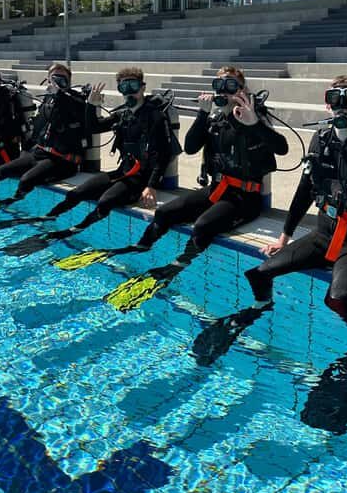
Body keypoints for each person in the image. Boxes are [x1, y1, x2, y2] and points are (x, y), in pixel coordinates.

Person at [194, 75, 347, 366]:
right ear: (326, 105)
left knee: (337, 299)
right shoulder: (322, 140)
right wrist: (284, 236)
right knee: (258, 273)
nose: (341, 107)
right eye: (335, 99)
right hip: (325, 235)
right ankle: (262, 305)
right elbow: (305, 191)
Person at [103, 66, 288, 312]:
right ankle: (141, 247)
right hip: (216, 188)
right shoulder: (215, 118)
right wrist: (203, 115)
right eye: (219, 85)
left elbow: (282, 148)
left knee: (203, 225)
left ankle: (172, 269)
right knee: (164, 213)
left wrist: (254, 124)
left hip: (245, 197)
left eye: (231, 85)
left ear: (241, 90)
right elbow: (190, 148)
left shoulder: (253, 117)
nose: (223, 91)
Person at [0, 67, 174, 256]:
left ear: (142, 88)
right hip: (123, 171)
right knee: (77, 193)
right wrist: (91, 106)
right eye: (124, 87)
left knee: (106, 201)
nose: (129, 91)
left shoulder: (154, 116)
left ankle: (77, 230)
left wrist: (151, 186)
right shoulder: (124, 113)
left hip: (141, 178)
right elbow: (94, 128)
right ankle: (49, 218)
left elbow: (164, 153)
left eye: (133, 86)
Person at [0, 63, 90, 211]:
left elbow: (77, 112)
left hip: (62, 159)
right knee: (0, 171)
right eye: (53, 78)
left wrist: (60, 95)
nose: (57, 82)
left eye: (62, 78)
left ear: (69, 80)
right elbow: (38, 129)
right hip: (40, 152)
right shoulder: (49, 99)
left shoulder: (76, 100)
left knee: (26, 180)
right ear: (48, 80)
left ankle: (10, 204)